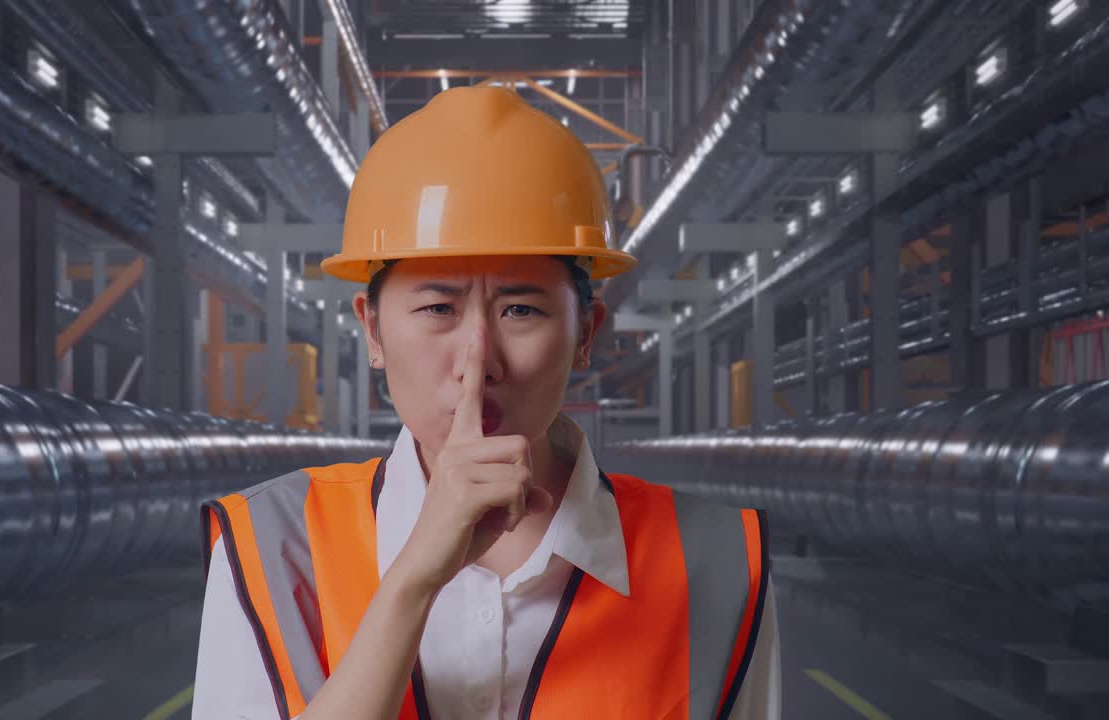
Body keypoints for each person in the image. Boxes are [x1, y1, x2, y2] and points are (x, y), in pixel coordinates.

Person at [192, 86, 780, 720]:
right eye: (437, 309)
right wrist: (415, 579)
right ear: (373, 331)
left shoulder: (719, 558)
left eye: (520, 310)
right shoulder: (275, 546)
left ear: (585, 333)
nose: (478, 361)